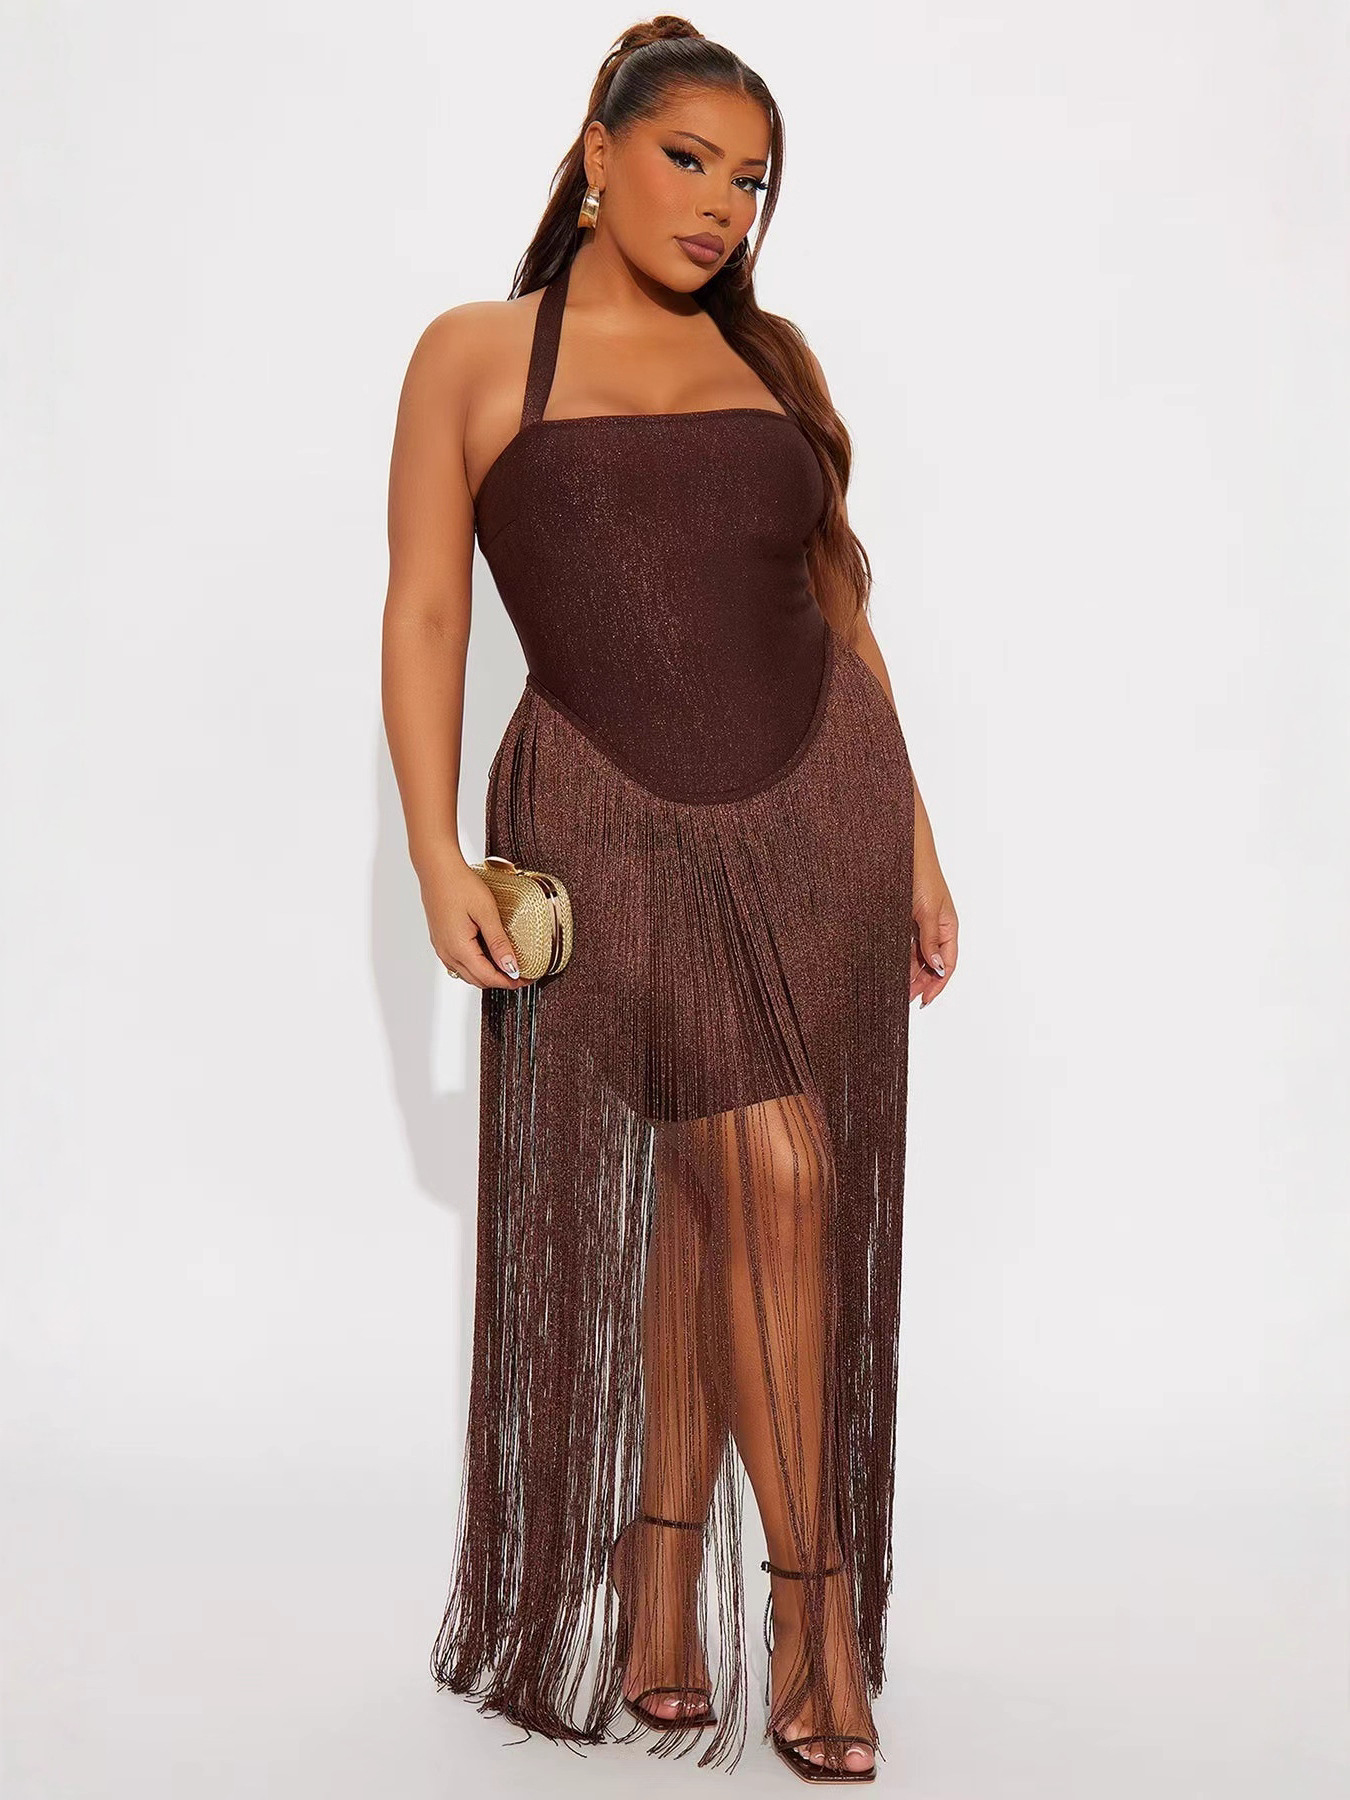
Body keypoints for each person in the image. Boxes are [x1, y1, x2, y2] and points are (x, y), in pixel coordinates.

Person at [381, 15, 958, 1782]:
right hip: (606, 821)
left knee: (727, 1195)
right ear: (597, 153)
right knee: (768, 1165)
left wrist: (916, 839)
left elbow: (836, 608)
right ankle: (812, 1610)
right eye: (689, 158)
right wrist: (432, 853)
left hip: (820, 808)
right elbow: (426, 609)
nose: (721, 204)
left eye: (751, 180)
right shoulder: (475, 353)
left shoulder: (768, 361)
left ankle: (656, 1586)